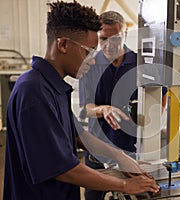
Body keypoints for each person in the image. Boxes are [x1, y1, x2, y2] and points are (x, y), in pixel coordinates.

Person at [3, 2, 159, 200]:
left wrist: (119, 157)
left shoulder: (54, 87)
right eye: (88, 52)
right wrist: (125, 185)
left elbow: (79, 135)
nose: (93, 60)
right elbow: (63, 169)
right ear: (63, 44)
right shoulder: (33, 92)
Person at [79, 10, 167, 200]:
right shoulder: (89, 65)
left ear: (125, 33)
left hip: (131, 152)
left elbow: (163, 92)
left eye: (116, 39)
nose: (109, 46)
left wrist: (153, 118)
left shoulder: (142, 63)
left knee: (141, 195)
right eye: (103, 39)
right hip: (97, 153)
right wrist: (104, 109)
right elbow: (87, 107)